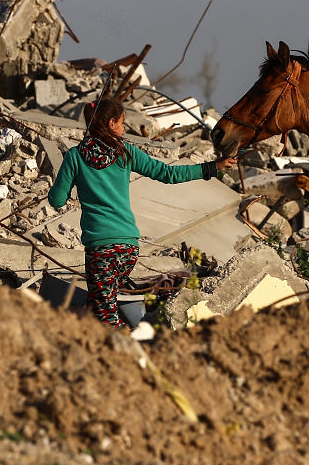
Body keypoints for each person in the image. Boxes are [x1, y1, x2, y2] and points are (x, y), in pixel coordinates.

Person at [47, 97, 236, 327]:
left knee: (104, 316)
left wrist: (71, 187)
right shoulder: (125, 152)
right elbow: (169, 174)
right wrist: (212, 167)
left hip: (101, 250)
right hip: (128, 247)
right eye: (123, 123)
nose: (124, 128)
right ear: (111, 123)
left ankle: (129, 353)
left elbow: (56, 200)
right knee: (97, 306)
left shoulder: (75, 156)